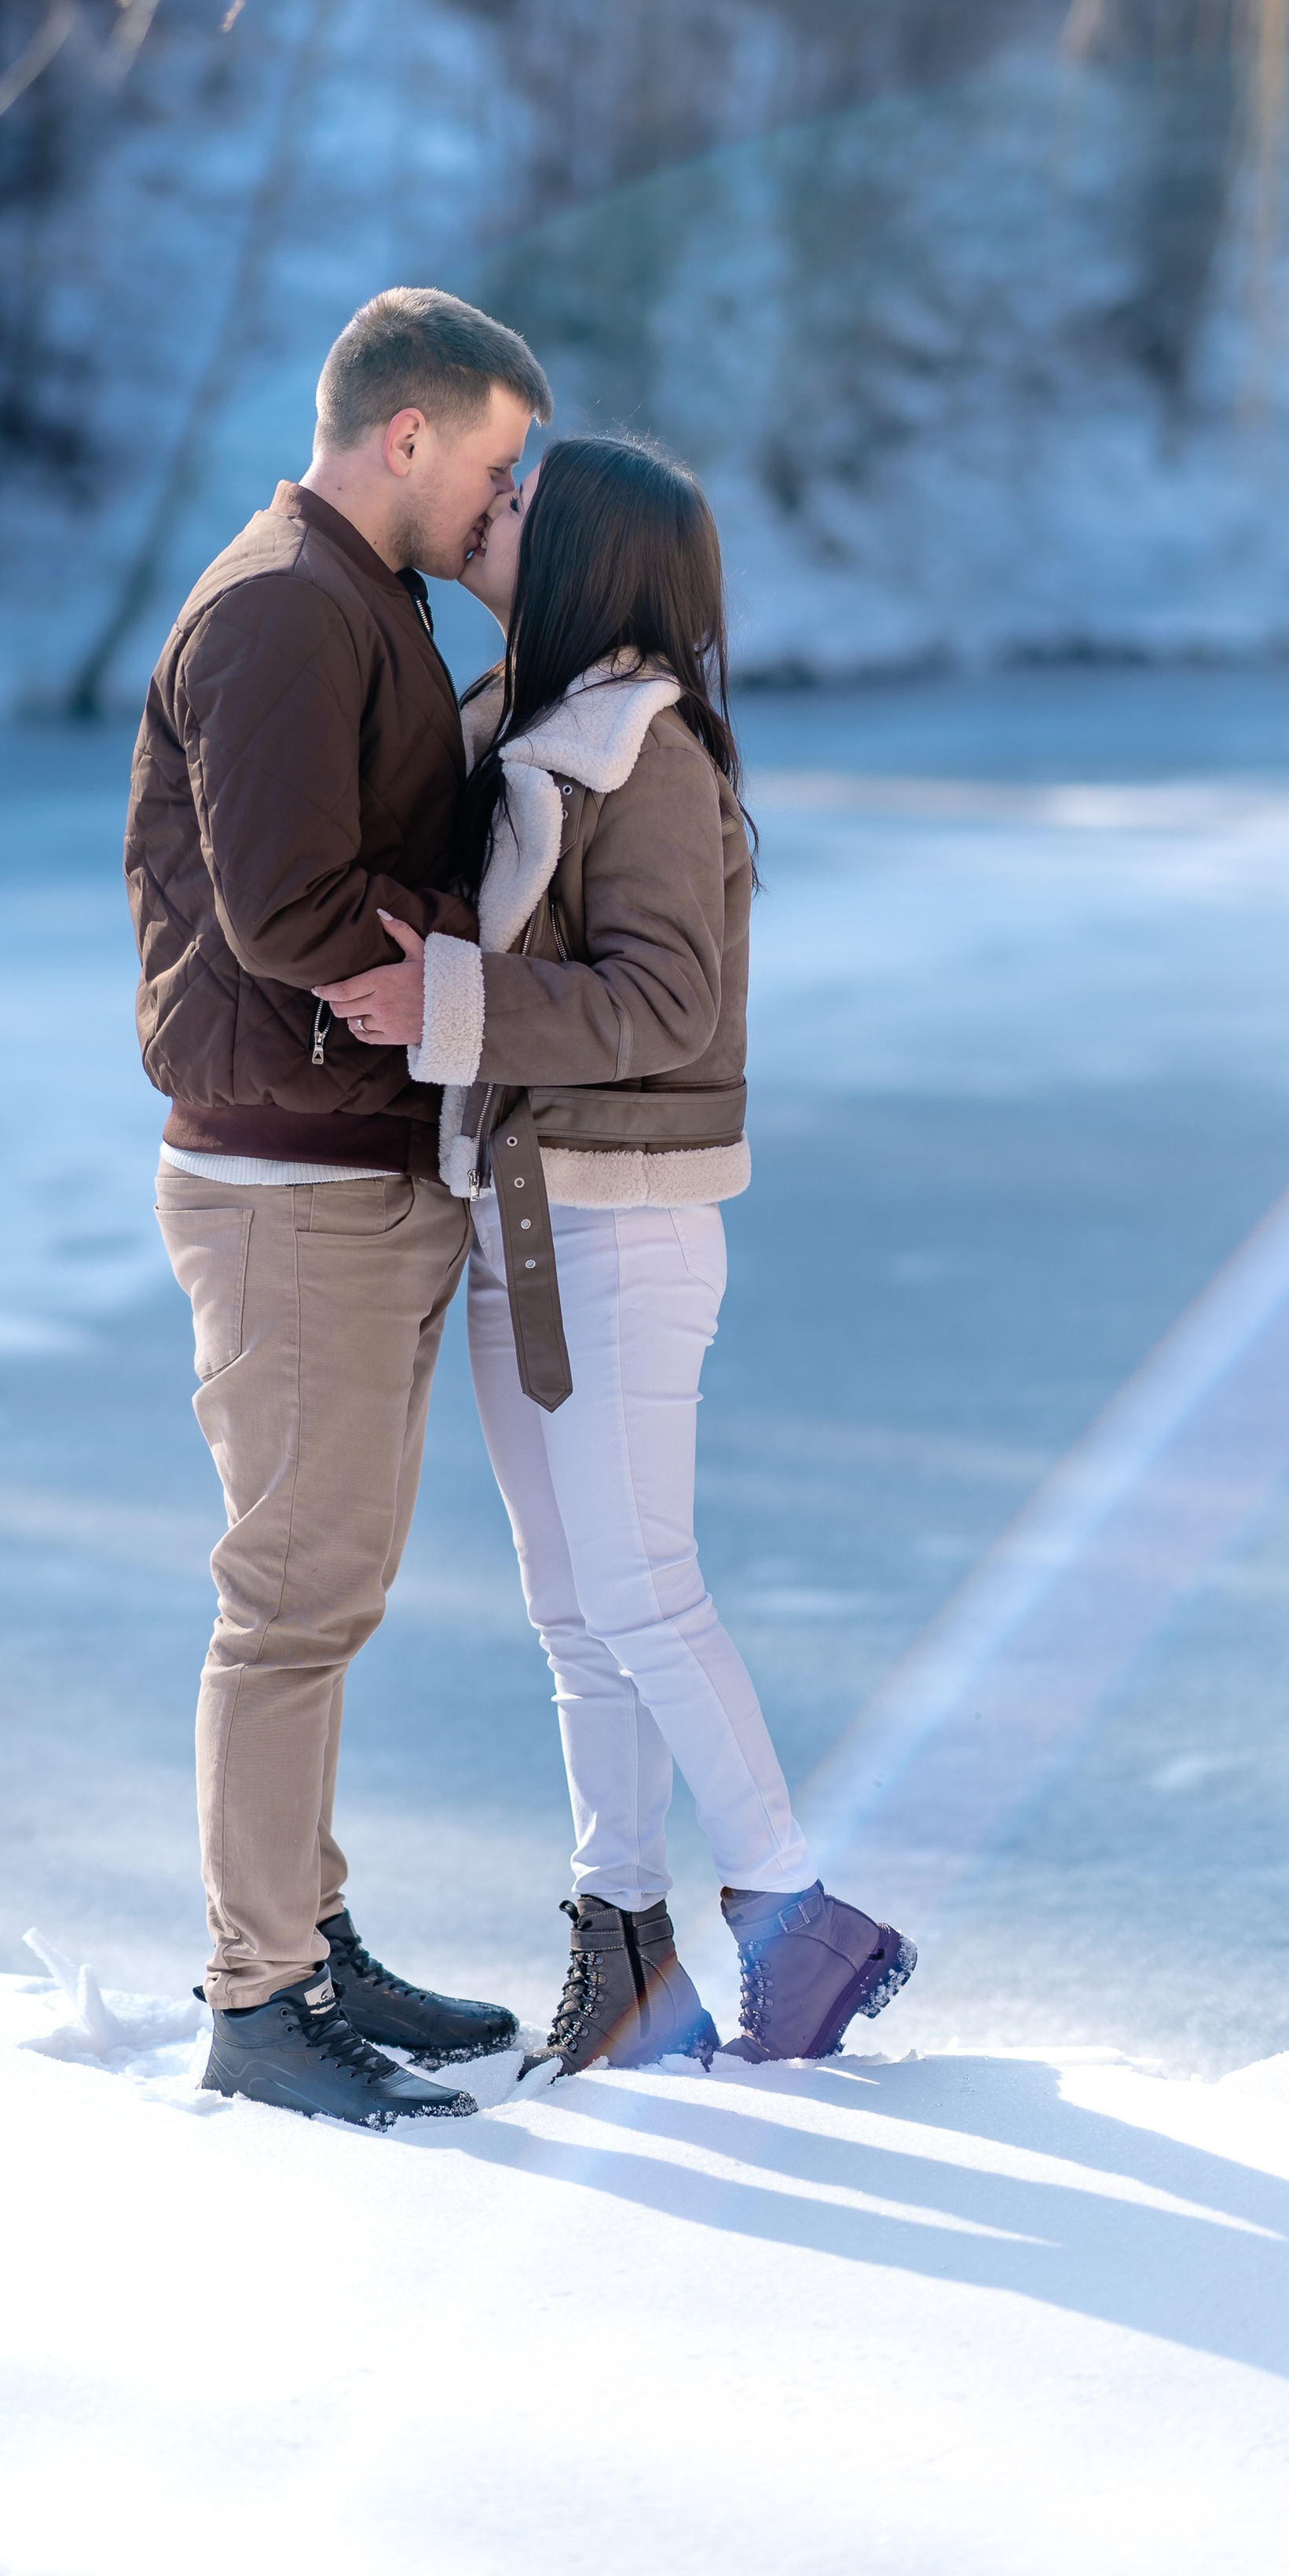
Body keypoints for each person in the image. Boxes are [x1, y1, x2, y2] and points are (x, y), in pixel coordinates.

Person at [315, 434, 917, 2074]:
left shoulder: (640, 752)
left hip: (623, 1235)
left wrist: (442, 997)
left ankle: (801, 1926)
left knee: (643, 1597)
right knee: (575, 1616)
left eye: (518, 506)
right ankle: (624, 1953)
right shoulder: (524, 734)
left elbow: (665, 1002)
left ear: (585, 558)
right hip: (530, 1222)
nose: (487, 514)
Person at [125, 288, 552, 2127]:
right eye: (494, 461)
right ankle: (258, 1995)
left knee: (332, 1591)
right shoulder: (287, 606)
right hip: (283, 1181)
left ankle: (313, 1933)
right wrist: (492, 959)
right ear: (406, 436)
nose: (499, 498)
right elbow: (288, 913)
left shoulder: (357, 596)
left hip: (342, 1161)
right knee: (291, 1602)